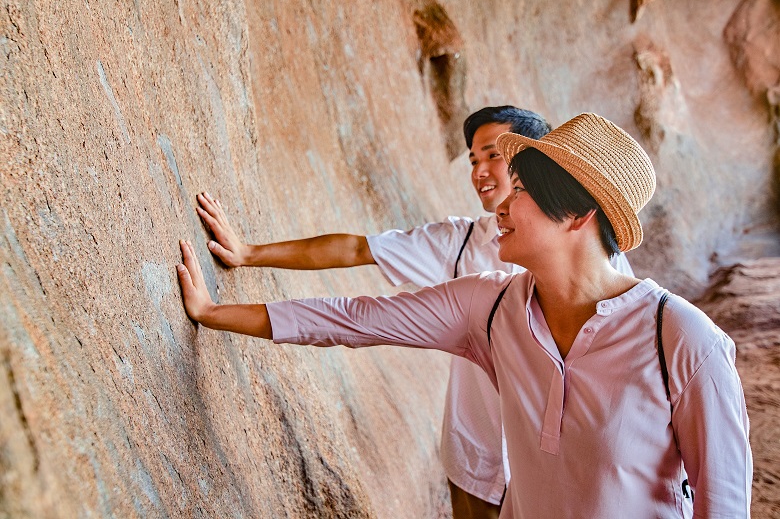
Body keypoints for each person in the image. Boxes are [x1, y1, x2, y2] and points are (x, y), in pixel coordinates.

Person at [176, 113, 752, 517]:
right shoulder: (489, 305)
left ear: (576, 214)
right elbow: (354, 319)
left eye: (520, 189)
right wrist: (211, 311)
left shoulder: (682, 341)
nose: (500, 201)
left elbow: (722, 505)